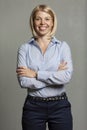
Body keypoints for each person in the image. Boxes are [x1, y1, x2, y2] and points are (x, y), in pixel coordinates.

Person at [16, 4, 73, 130]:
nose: (43, 23)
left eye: (47, 19)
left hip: (60, 106)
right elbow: (24, 81)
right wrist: (54, 75)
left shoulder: (63, 47)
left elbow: (66, 77)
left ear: (52, 22)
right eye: (38, 19)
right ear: (33, 22)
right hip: (33, 107)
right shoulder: (24, 49)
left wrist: (36, 74)